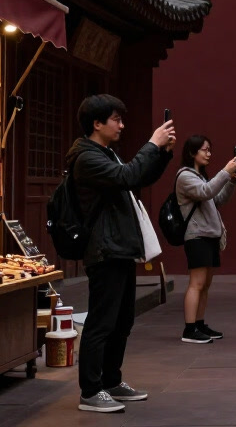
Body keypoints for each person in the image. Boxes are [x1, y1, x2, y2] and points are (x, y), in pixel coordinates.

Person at [67, 95, 174, 414]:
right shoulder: (86, 157)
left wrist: (162, 154)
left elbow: (137, 178)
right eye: (116, 119)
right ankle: (90, 391)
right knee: (102, 322)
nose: (122, 125)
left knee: (122, 320)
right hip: (104, 248)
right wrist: (152, 144)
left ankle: (111, 381)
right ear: (97, 123)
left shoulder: (104, 153)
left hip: (120, 246)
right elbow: (128, 176)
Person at [175, 135, 236, 344]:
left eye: (209, 150)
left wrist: (232, 179)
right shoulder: (185, 176)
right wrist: (225, 171)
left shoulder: (201, 177)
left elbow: (218, 198)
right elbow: (206, 192)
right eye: (204, 150)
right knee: (196, 283)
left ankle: (199, 323)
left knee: (205, 285)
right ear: (192, 152)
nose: (209, 154)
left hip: (210, 235)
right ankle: (189, 329)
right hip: (197, 236)